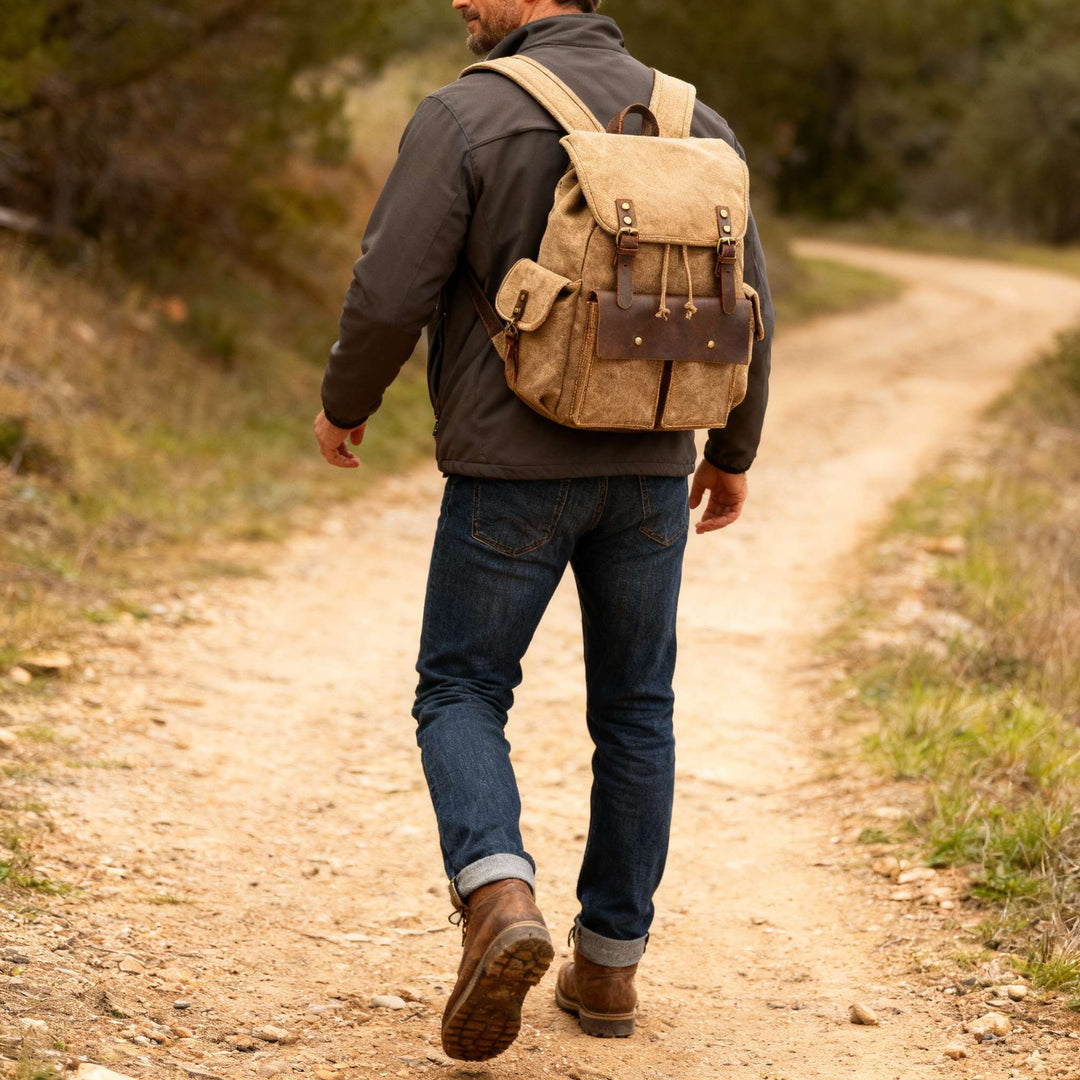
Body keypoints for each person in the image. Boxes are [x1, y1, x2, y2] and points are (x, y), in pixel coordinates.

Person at [314, 0, 774, 1063]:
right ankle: (608, 966)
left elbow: (390, 289)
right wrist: (733, 449)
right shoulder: (697, 121)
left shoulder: (467, 113)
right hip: (654, 468)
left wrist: (348, 399)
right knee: (638, 709)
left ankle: (497, 898)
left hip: (510, 467)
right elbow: (749, 300)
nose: (461, 4)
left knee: (463, 688)